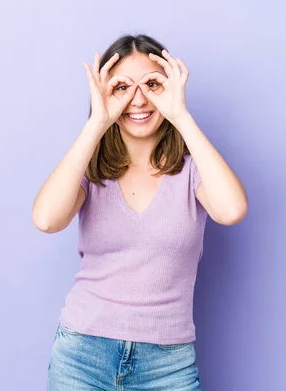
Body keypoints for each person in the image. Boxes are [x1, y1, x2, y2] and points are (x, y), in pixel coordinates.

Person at [32, 34, 248, 390]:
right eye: (121, 87)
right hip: (83, 357)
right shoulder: (89, 171)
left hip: (168, 365)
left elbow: (232, 210)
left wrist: (180, 115)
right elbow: (46, 219)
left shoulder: (193, 171)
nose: (138, 98)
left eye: (152, 84)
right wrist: (97, 123)